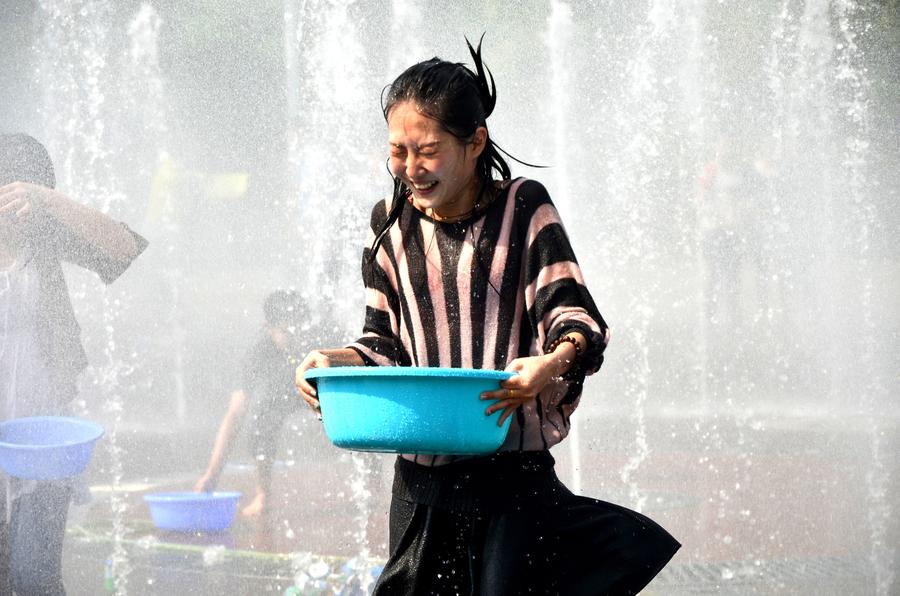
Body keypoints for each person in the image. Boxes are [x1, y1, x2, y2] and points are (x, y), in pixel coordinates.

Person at [294, 39, 680, 595]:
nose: (409, 168)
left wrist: (550, 365)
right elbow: (384, 342)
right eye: (397, 151)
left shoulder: (524, 207)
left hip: (510, 482)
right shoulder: (389, 221)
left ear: (475, 142)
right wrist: (335, 363)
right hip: (420, 486)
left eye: (426, 150)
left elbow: (575, 317)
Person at [0, 133, 147, 595]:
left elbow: (124, 248)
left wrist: (49, 201)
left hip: (44, 435)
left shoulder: (43, 234)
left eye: (26, 198)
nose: (15, 214)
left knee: (35, 577)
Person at [195, 290, 307, 517]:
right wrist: (212, 475)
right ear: (268, 327)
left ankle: (373, 488)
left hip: (320, 386)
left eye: (298, 328)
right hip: (287, 392)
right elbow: (235, 414)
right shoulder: (258, 355)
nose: (294, 337)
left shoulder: (319, 339)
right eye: (286, 331)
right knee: (263, 415)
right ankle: (263, 494)